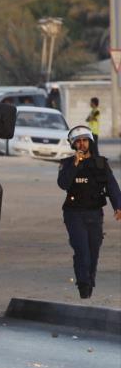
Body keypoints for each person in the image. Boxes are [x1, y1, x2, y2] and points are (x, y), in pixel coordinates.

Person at [57, 126, 121, 299]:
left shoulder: (101, 163)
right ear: (73, 144)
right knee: (82, 251)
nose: (82, 144)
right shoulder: (67, 164)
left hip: (94, 214)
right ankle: (83, 284)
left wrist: (118, 206)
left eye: (85, 140)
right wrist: (76, 164)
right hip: (74, 214)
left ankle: (89, 280)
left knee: (93, 251)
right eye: (78, 141)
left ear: (90, 142)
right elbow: (63, 184)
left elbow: (112, 186)